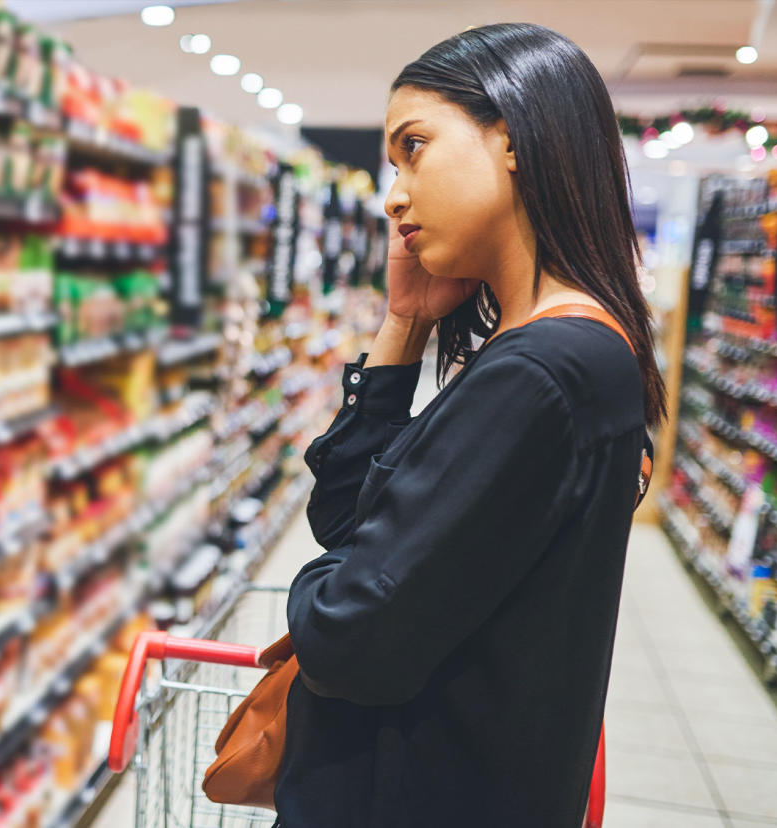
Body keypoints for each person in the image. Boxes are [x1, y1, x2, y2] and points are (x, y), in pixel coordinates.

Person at [277, 23, 666, 827]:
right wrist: (405, 325)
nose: (393, 195)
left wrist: (317, 590)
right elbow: (344, 517)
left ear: (515, 136)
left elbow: (348, 638)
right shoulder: (561, 351)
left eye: (413, 147)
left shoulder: (540, 373)